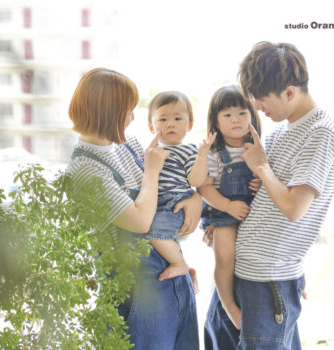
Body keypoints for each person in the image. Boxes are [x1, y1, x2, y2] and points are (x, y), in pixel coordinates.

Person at [204, 42, 334, 350]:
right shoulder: (281, 131)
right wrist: (221, 221)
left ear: (290, 92)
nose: (257, 108)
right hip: (244, 272)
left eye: (261, 99)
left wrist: (263, 169)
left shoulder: (321, 131)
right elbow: (266, 197)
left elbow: (295, 208)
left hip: (267, 280)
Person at [66, 68, 202, 349]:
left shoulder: (128, 145)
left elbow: (168, 195)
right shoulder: (86, 170)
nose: (132, 116)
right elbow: (141, 222)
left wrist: (195, 199)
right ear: (109, 111)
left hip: (174, 280)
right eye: (127, 109)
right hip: (139, 295)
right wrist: (152, 171)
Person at [197, 85, 262, 330]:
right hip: (223, 211)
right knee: (225, 257)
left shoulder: (257, 147)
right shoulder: (213, 152)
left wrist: (259, 182)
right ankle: (230, 306)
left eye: (241, 113)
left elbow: (265, 178)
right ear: (215, 120)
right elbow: (204, 188)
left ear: (252, 117)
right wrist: (228, 206)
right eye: (227, 115)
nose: (235, 119)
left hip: (252, 212)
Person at [145, 91, 216, 282]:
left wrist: (201, 157)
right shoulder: (151, 151)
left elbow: (196, 181)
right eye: (163, 119)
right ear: (151, 126)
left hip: (176, 203)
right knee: (155, 232)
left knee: (153, 231)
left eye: (177, 118)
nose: (170, 124)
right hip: (157, 204)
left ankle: (180, 264)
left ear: (189, 124)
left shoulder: (188, 150)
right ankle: (185, 270)